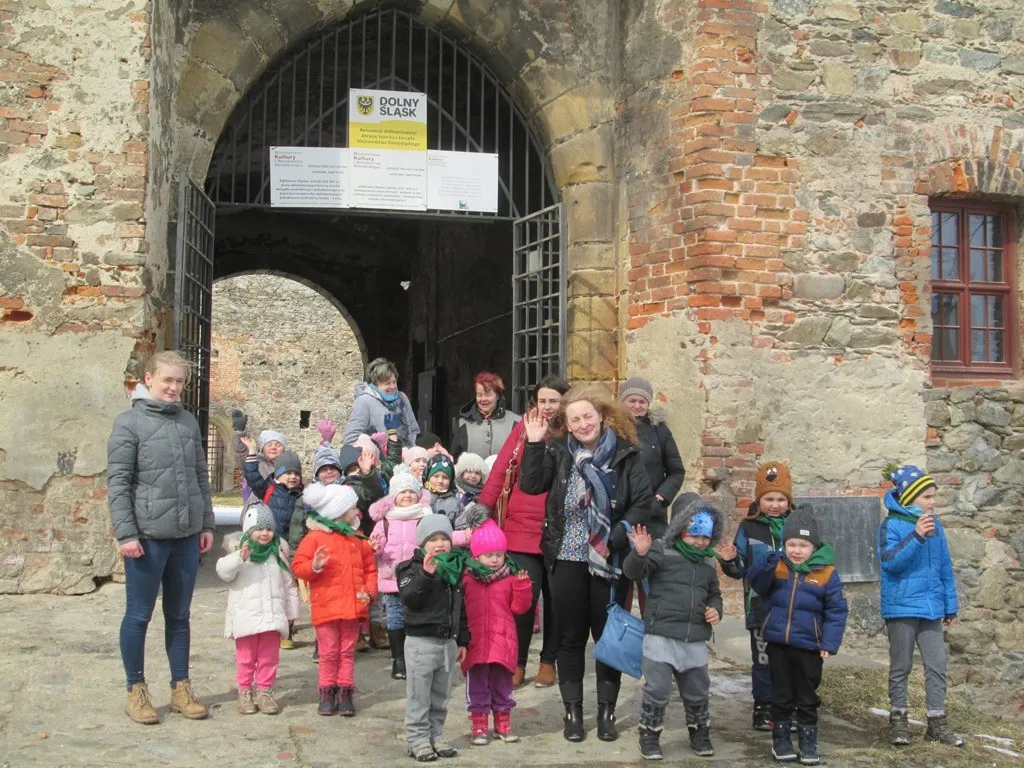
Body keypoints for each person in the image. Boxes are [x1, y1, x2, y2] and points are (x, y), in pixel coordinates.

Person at [519, 385, 654, 743]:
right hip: (566, 556)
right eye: (575, 419)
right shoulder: (558, 450)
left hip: (609, 558)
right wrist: (534, 444)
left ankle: (607, 712)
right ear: (567, 424)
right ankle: (573, 713)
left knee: (607, 637)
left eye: (587, 417)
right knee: (570, 638)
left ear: (602, 416)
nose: (582, 424)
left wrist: (615, 539)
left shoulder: (626, 454)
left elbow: (642, 503)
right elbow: (531, 486)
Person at [107, 350, 214, 724]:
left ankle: (181, 688)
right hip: (147, 538)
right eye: (167, 380)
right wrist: (126, 533)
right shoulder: (128, 424)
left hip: (185, 536)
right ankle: (135, 690)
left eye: (179, 381)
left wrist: (206, 524)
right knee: (139, 615)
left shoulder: (187, 421)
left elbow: (200, 475)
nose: (173, 387)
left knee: (179, 616)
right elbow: (119, 483)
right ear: (148, 379)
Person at [478, 374, 569, 689]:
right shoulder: (523, 429)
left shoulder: (573, 431)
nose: (547, 407)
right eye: (542, 400)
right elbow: (500, 470)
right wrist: (483, 510)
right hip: (520, 527)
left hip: (560, 527)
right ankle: (516, 662)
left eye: (554, 401)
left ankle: (548, 661)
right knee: (523, 597)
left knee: (556, 599)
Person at [624, 497, 730, 761]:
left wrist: (716, 609)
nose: (701, 542)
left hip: (694, 638)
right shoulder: (661, 550)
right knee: (658, 689)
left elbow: (714, 594)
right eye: (695, 535)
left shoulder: (708, 561)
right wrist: (639, 554)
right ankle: (649, 734)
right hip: (660, 636)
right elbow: (633, 572)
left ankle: (700, 732)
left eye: (706, 536)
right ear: (680, 529)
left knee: (697, 690)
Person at [749, 514, 848, 766]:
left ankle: (808, 742)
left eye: (803, 545)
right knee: (780, 694)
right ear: (784, 544)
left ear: (814, 547)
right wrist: (766, 564)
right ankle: (781, 741)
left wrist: (829, 643)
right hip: (778, 643)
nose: (797, 550)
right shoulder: (777, 566)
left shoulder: (826, 573)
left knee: (807, 696)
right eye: (791, 544)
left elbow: (836, 611)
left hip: (809, 646)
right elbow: (757, 585)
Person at [878, 464, 963, 748]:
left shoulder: (937, 527)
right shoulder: (891, 525)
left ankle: (936, 722)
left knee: (937, 666)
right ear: (909, 498)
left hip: (930, 608)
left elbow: (944, 567)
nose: (932, 502)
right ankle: (899, 721)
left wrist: (949, 606)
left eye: (933, 496)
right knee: (901, 666)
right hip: (901, 607)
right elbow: (890, 563)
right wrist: (916, 535)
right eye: (927, 496)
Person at [291, 483, 377, 717]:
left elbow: (370, 569)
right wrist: (314, 566)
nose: (357, 511)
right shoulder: (315, 538)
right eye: (353, 508)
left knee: (347, 651)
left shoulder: (357, 539)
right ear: (339, 510)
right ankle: (327, 692)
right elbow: (298, 566)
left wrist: (369, 592)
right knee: (328, 652)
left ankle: (345, 692)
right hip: (327, 607)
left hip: (353, 606)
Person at [719, 460, 793, 730]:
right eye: (769, 499)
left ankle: (787, 708)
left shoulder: (796, 526)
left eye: (781, 499)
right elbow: (739, 569)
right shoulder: (749, 528)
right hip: (760, 608)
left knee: (789, 661)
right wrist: (729, 560)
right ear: (759, 500)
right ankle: (763, 708)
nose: (775, 505)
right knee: (763, 660)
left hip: (792, 607)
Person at [397, 515, 471, 762]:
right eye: (433, 539)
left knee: (441, 697)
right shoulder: (409, 568)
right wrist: (426, 575)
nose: (440, 544)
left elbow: (460, 607)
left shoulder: (454, 568)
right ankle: (417, 739)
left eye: (444, 539)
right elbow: (410, 599)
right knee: (419, 696)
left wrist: (462, 640)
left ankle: (436, 735)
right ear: (422, 543)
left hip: (447, 643)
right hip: (421, 643)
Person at [216, 503, 301, 715]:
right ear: (248, 531)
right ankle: (245, 690)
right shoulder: (239, 553)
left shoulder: (278, 554)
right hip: (246, 618)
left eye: (269, 529)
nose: (265, 533)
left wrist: (292, 613)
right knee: (246, 659)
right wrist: (239, 558)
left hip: (272, 617)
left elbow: (289, 585)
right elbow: (223, 572)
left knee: (269, 658)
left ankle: (265, 691)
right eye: (259, 529)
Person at [462, 520, 534, 745]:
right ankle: (479, 724)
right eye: (488, 555)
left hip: (502, 641)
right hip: (476, 642)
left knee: (503, 684)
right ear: (476, 556)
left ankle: (503, 722)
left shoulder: (510, 579)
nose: (494, 560)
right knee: (478, 685)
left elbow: (520, 608)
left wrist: (523, 587)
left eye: (499, 555)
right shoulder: (466, 580)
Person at [368, 472, 434, 679]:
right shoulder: (385, 521)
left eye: (411, 491)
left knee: (416, 616)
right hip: (392, 577)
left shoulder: (425, 516)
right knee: (395, 617)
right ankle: (398, 660)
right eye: (402, 492)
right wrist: (376, 547)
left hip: (418, 577)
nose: (407, 495)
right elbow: (377, 543)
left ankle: (417, 658)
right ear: (394, 496)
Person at [619, 377, 684, 538]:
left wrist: (660, 498)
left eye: (642, 401)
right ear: (622, 401)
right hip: (619, 514)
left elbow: (676, 472)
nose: (637, 406)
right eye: (632, 400)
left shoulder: (659, 430)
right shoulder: (612, 429)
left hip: (652, 516)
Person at [343, 357, 420, 446]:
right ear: (375, 385)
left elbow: (413, 430)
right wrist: (376, 449)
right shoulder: (363, 402)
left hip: (405, 453)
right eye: (387, 383)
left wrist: (412, 449)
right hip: (379, 454)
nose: (392, 386)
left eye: (394, 382)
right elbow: (351, 439)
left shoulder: (402, 398)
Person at [239, 438, 304, 542]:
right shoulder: (268, 489)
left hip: (293, 543)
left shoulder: (302, 494)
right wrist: (252, 451)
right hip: (270, 541)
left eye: (296, 474)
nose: (293, 477)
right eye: (288, 473)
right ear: (278, 475)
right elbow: (252, 476)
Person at [450, 372, 521, 459]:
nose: (483, 399)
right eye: (479, 395)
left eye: (488, 395)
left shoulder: (516, 422)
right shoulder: (463, 424)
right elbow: (455, 460)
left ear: (498, 396)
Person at [231, 413, 287, 509]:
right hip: (257, 508)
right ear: (262, 448)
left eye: (278, 445)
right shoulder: (256, 462)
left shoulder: (288, 466)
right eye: (269, 445)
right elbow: (241, 452)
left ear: (284, 449)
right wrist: (240, 432)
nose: (273, 447)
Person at [424, 454, 465, 529]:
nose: (440, 481)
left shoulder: (456, 504)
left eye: (445, 477)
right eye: (436, 476)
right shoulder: (420, 498)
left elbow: (461, 528)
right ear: (428, 477)